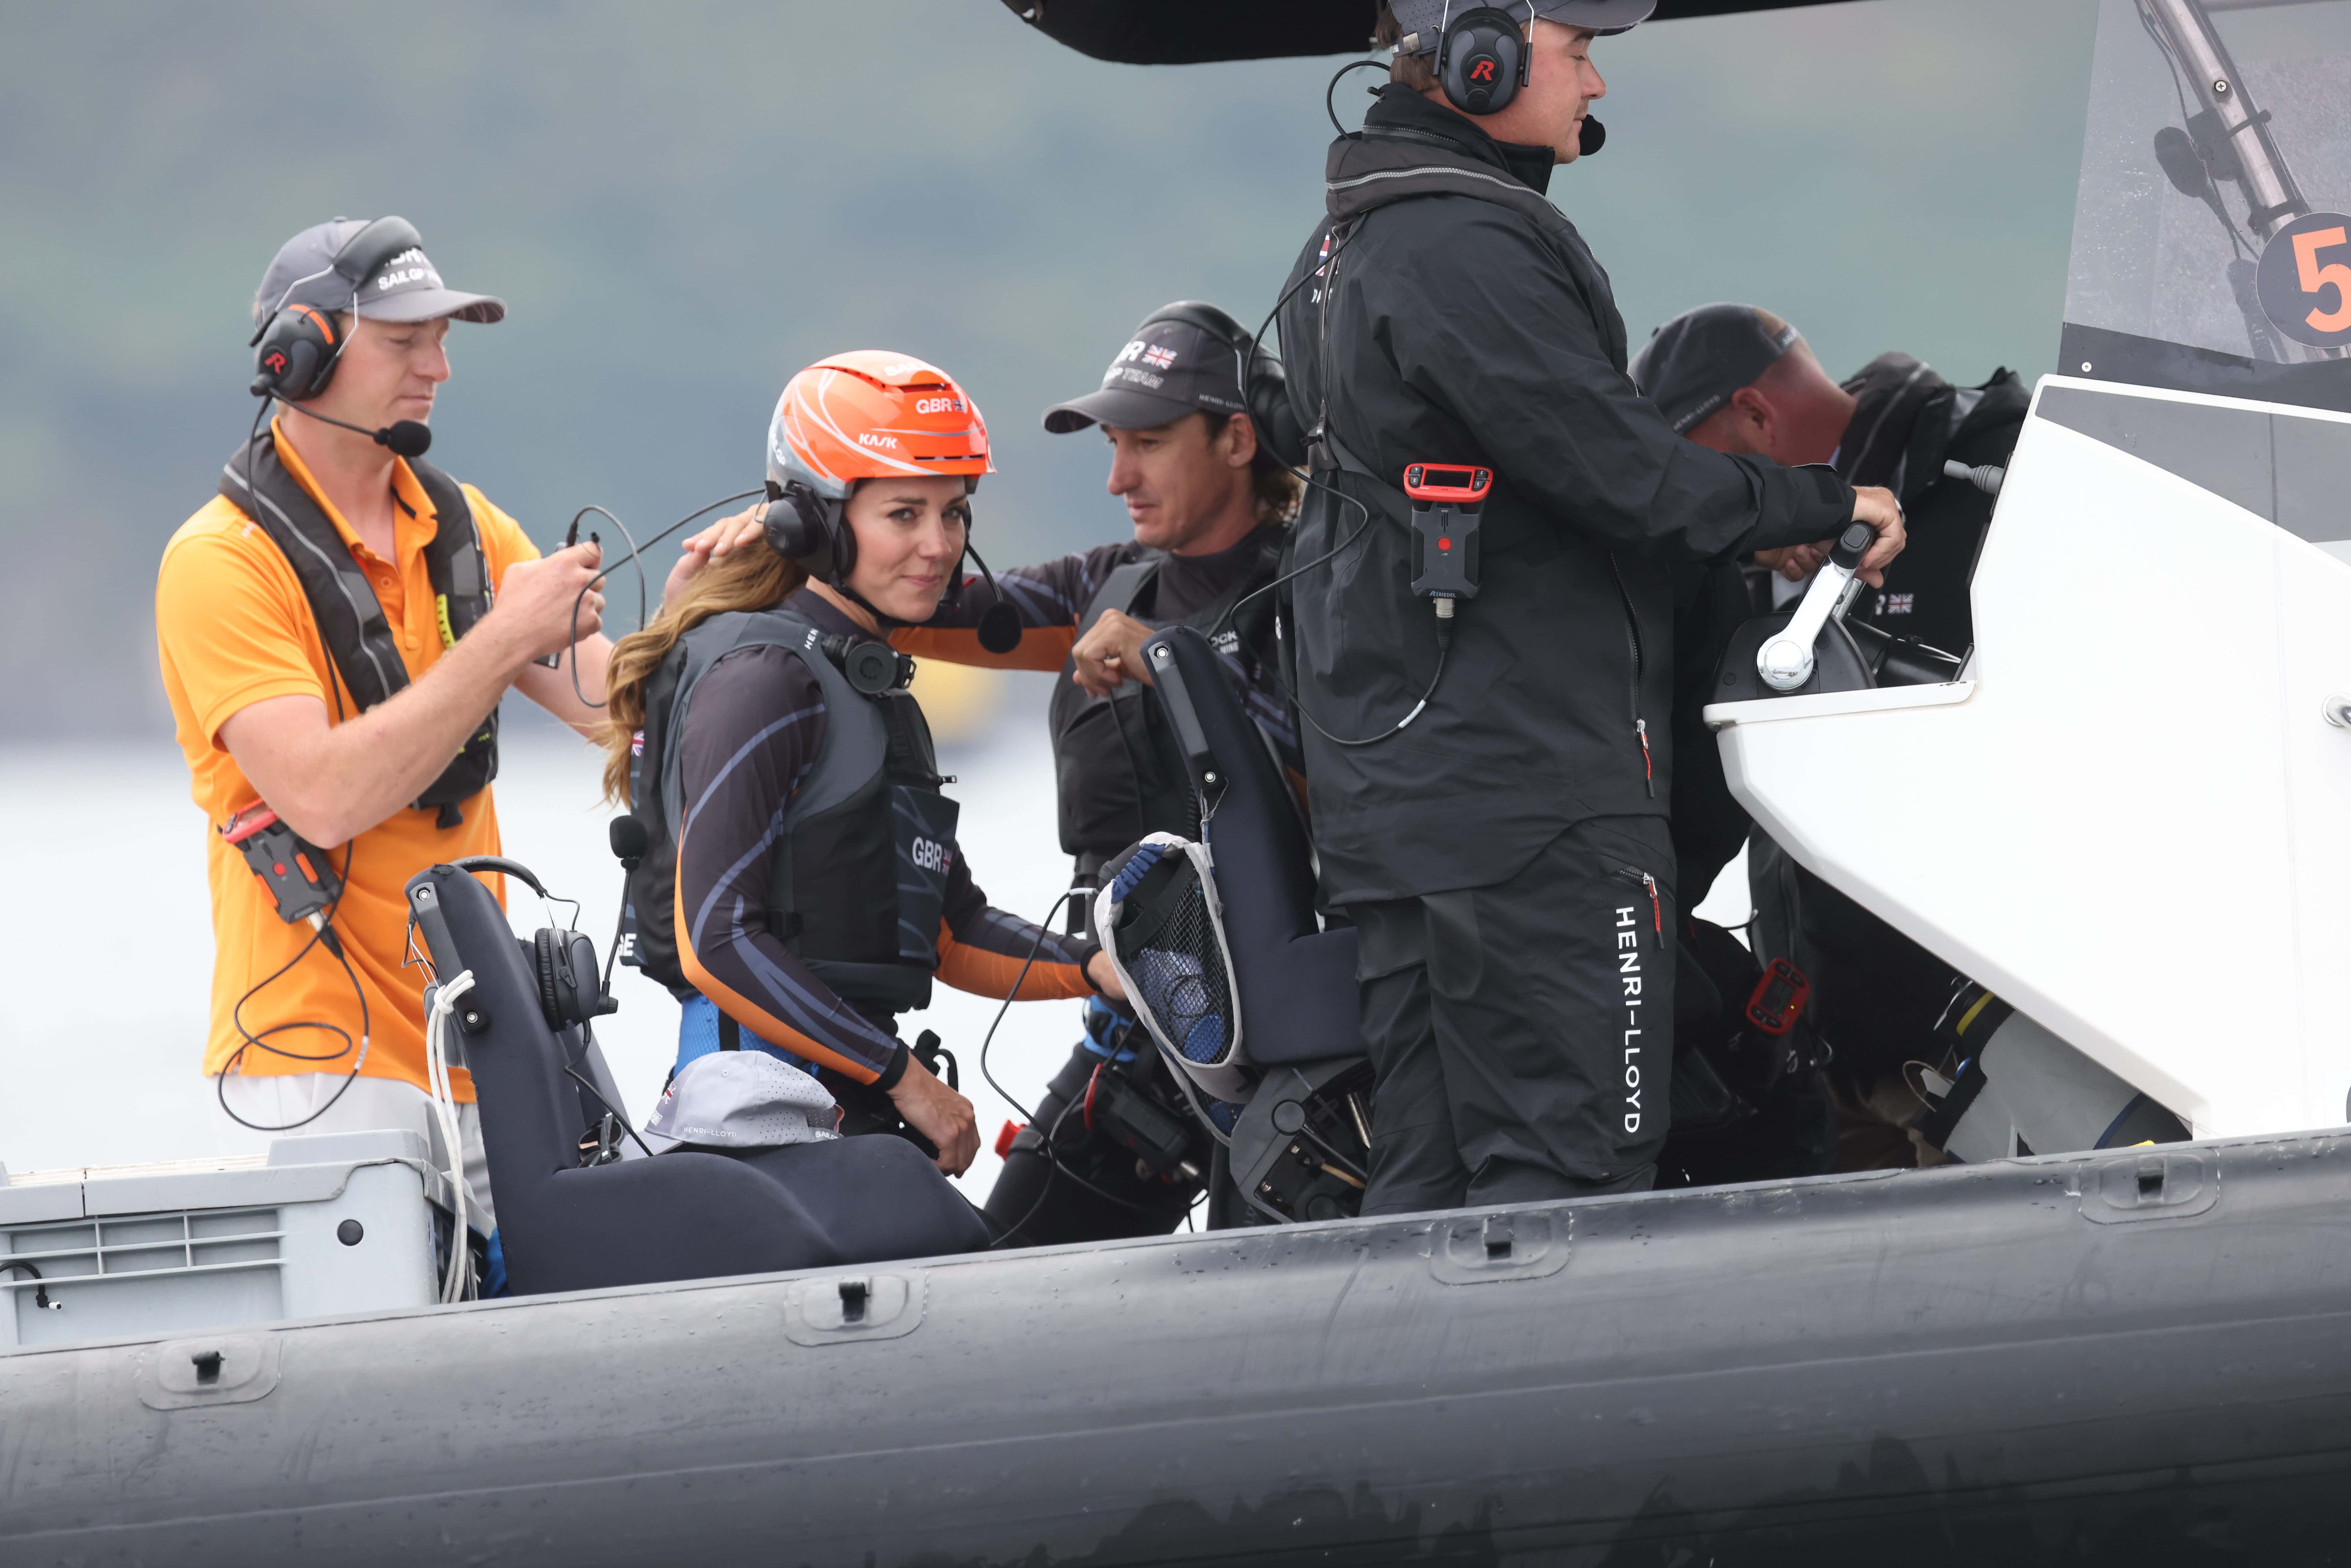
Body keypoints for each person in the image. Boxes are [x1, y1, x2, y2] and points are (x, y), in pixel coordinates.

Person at [1271, 1, 1909, 1216]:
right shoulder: (1461, 243)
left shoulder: (1348, 241)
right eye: (1578, 53)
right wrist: (1823, 505)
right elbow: (1624, 474)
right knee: (1572, 1175)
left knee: (1434, 1178)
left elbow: (1541, 481)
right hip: (1528, 809)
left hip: (1416, 811)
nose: (1597, 85)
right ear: (1483, 59)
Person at [156, 217, 640, 1230]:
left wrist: (719, 615)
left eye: (445, 338)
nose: (440, 367)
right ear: (303, 351)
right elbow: (324, 797)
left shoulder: (461, 525)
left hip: (484, 1041)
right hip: (313, 1057)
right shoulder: (219, 564)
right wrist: (506, 639)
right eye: (406, 340)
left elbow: (618, 714)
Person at [601, 351, 1127, 1185]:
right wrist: (906, 1080)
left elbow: (953, 932)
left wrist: (1101, 969)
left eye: (954, 515)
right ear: (811, 523)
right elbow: (716, 939)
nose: (938, 545)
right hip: (751, 1117)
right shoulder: (768, 677)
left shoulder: (862, 680)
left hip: (842, 1111)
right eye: (904, 514)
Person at [890, 301, 1304, 1243]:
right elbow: (904, 605)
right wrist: (784, 550)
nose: (1119, 476)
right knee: (1009, 1274)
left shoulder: (1321, 584)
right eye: (1114, 445)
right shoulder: (1105, 586)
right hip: (1144, 1023)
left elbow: (1329, 767)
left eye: (1149, 444)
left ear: (1238, 439)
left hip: (1294, 1040)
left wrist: (1167, 660)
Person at [1630, 302, 2028, 1170]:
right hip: (1820, 1037)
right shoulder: (1759, 555)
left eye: (1699, 478)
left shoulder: (2006, 478)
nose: (1698, 512)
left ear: (1757, 415)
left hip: (1994, 1043)